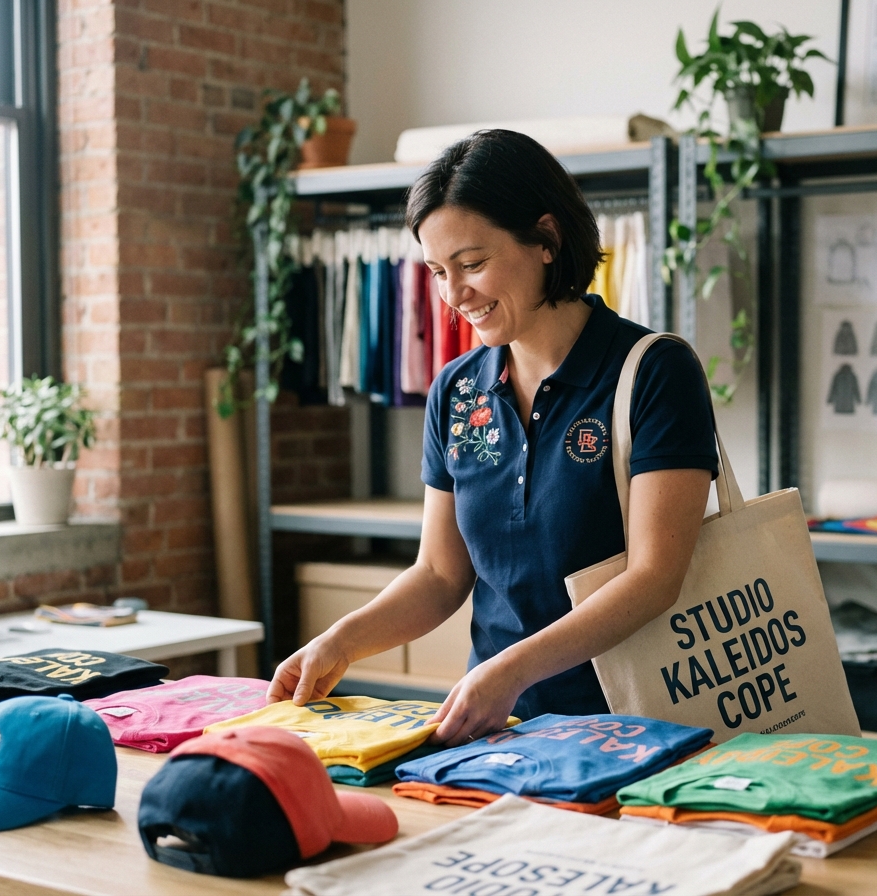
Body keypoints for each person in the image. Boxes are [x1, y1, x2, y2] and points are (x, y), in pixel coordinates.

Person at [267, 130, 717, 745]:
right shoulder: (456, 391)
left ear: (546, 241)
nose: (454, 296)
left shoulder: (654, 372)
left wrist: (510, 669)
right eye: (437, 272)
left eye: (472, 265)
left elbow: (654, 575)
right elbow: (438, 576)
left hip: (636, 728)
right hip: (498, 732)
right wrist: (340, 642)